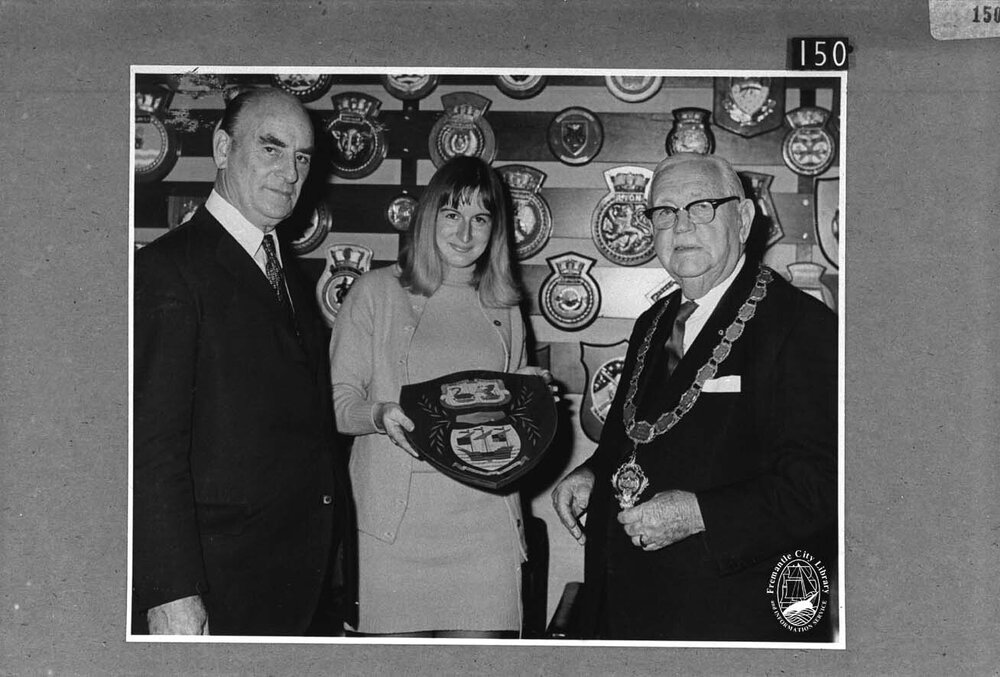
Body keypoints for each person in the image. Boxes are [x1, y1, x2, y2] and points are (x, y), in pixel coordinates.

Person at [551, 153, 837, 641]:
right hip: (625, 611)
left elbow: (822, 486)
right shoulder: (653, 322)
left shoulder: (802, 326)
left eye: (701, 207)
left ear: (742, 218)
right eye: (665, 212)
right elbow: (640, 438)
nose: (681, 226)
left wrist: (700, 514)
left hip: (729, 620)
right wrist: (593, 473)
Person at [132, 88, 349, 636]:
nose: (290, 173)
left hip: (295, 586)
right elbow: (151, 448)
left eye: (302, 158)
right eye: (272, 148)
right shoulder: (168, 270)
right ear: (223, 148)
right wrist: (170, 591)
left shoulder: (286, 272)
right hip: (214, 586)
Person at [329, 156, 547, 638]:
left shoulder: (505, 305)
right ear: (429, 216)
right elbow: (337, 404)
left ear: (495, 229)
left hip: (485, 530)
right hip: (391, 534)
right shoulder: (374, 293)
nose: (465, 233)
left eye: (480, 219)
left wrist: (529, 395)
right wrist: (379, 414)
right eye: (452, 214)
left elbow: (511, 418)